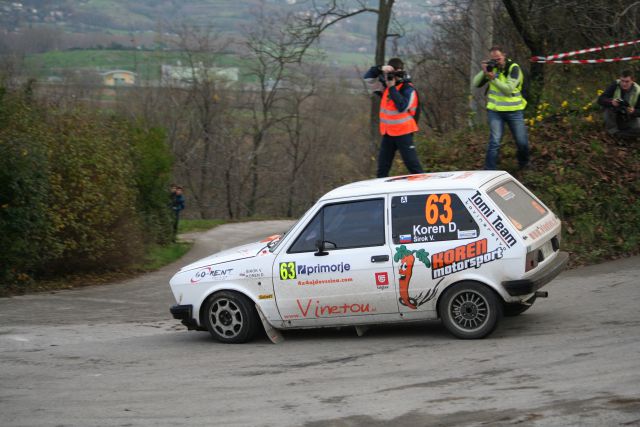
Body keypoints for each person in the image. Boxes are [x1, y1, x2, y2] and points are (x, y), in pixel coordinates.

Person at [364, 57, 424, 178]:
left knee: (413, 166)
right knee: (382, 169)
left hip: (404, 133)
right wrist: (380, 68)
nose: (393, 77)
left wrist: (392, 88)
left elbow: (402, 106)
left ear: (401, 73)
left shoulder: (408, 89)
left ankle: (427, 190)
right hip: (388, 134)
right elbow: (368, 79)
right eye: (391, 74)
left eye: (396, 73)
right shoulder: (384, 86)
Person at [472, 46, 530, 170]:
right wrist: (484, 71)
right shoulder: (492, 68)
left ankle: (524, 164)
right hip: (495, 111)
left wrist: (493, 79)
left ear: (504, 55)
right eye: (494, 59)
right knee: (495, 142)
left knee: (522, 142)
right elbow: (476, 83)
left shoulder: (513, 68)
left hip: (514, 111)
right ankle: (489, 169)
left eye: (498, 58)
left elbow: (508, 89)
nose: (496, 61)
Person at [597, 70, 640, 138]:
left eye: (627, 81)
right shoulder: (615, 85)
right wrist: (611, 102)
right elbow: (600, 99)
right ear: (620, 78)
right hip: (614, 114)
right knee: (607, 107)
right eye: (622, 81)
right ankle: (614, 132)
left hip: (628, 116)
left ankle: (621, 134)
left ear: (633, 81)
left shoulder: (638, 90)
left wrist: (634, 111)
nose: (624, 84)